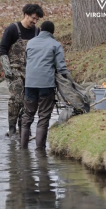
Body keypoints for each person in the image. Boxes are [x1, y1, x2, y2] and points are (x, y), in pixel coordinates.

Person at [21, 21, 73, 149]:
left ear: (40, 29)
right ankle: (40, 151)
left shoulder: (30, 43)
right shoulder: (55, 45)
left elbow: (26, 61)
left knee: (27, 116)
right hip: (46, 85)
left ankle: (23, 149)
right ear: (52, 32)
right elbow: (61, 67)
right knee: (43, 117)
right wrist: (69, 80)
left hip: (29, 84)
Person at [0, 4, 44, 137]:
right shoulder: (12, 29)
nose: (34, 22)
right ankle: (12, 129)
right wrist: (8, 71)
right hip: (14, 70)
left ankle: (24, 128)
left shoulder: (37, 32)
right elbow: (2, 50)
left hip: (32, 71)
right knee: (16, 99)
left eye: (37, 20)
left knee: (29, 101)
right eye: (33, 18)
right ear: (26, 14)